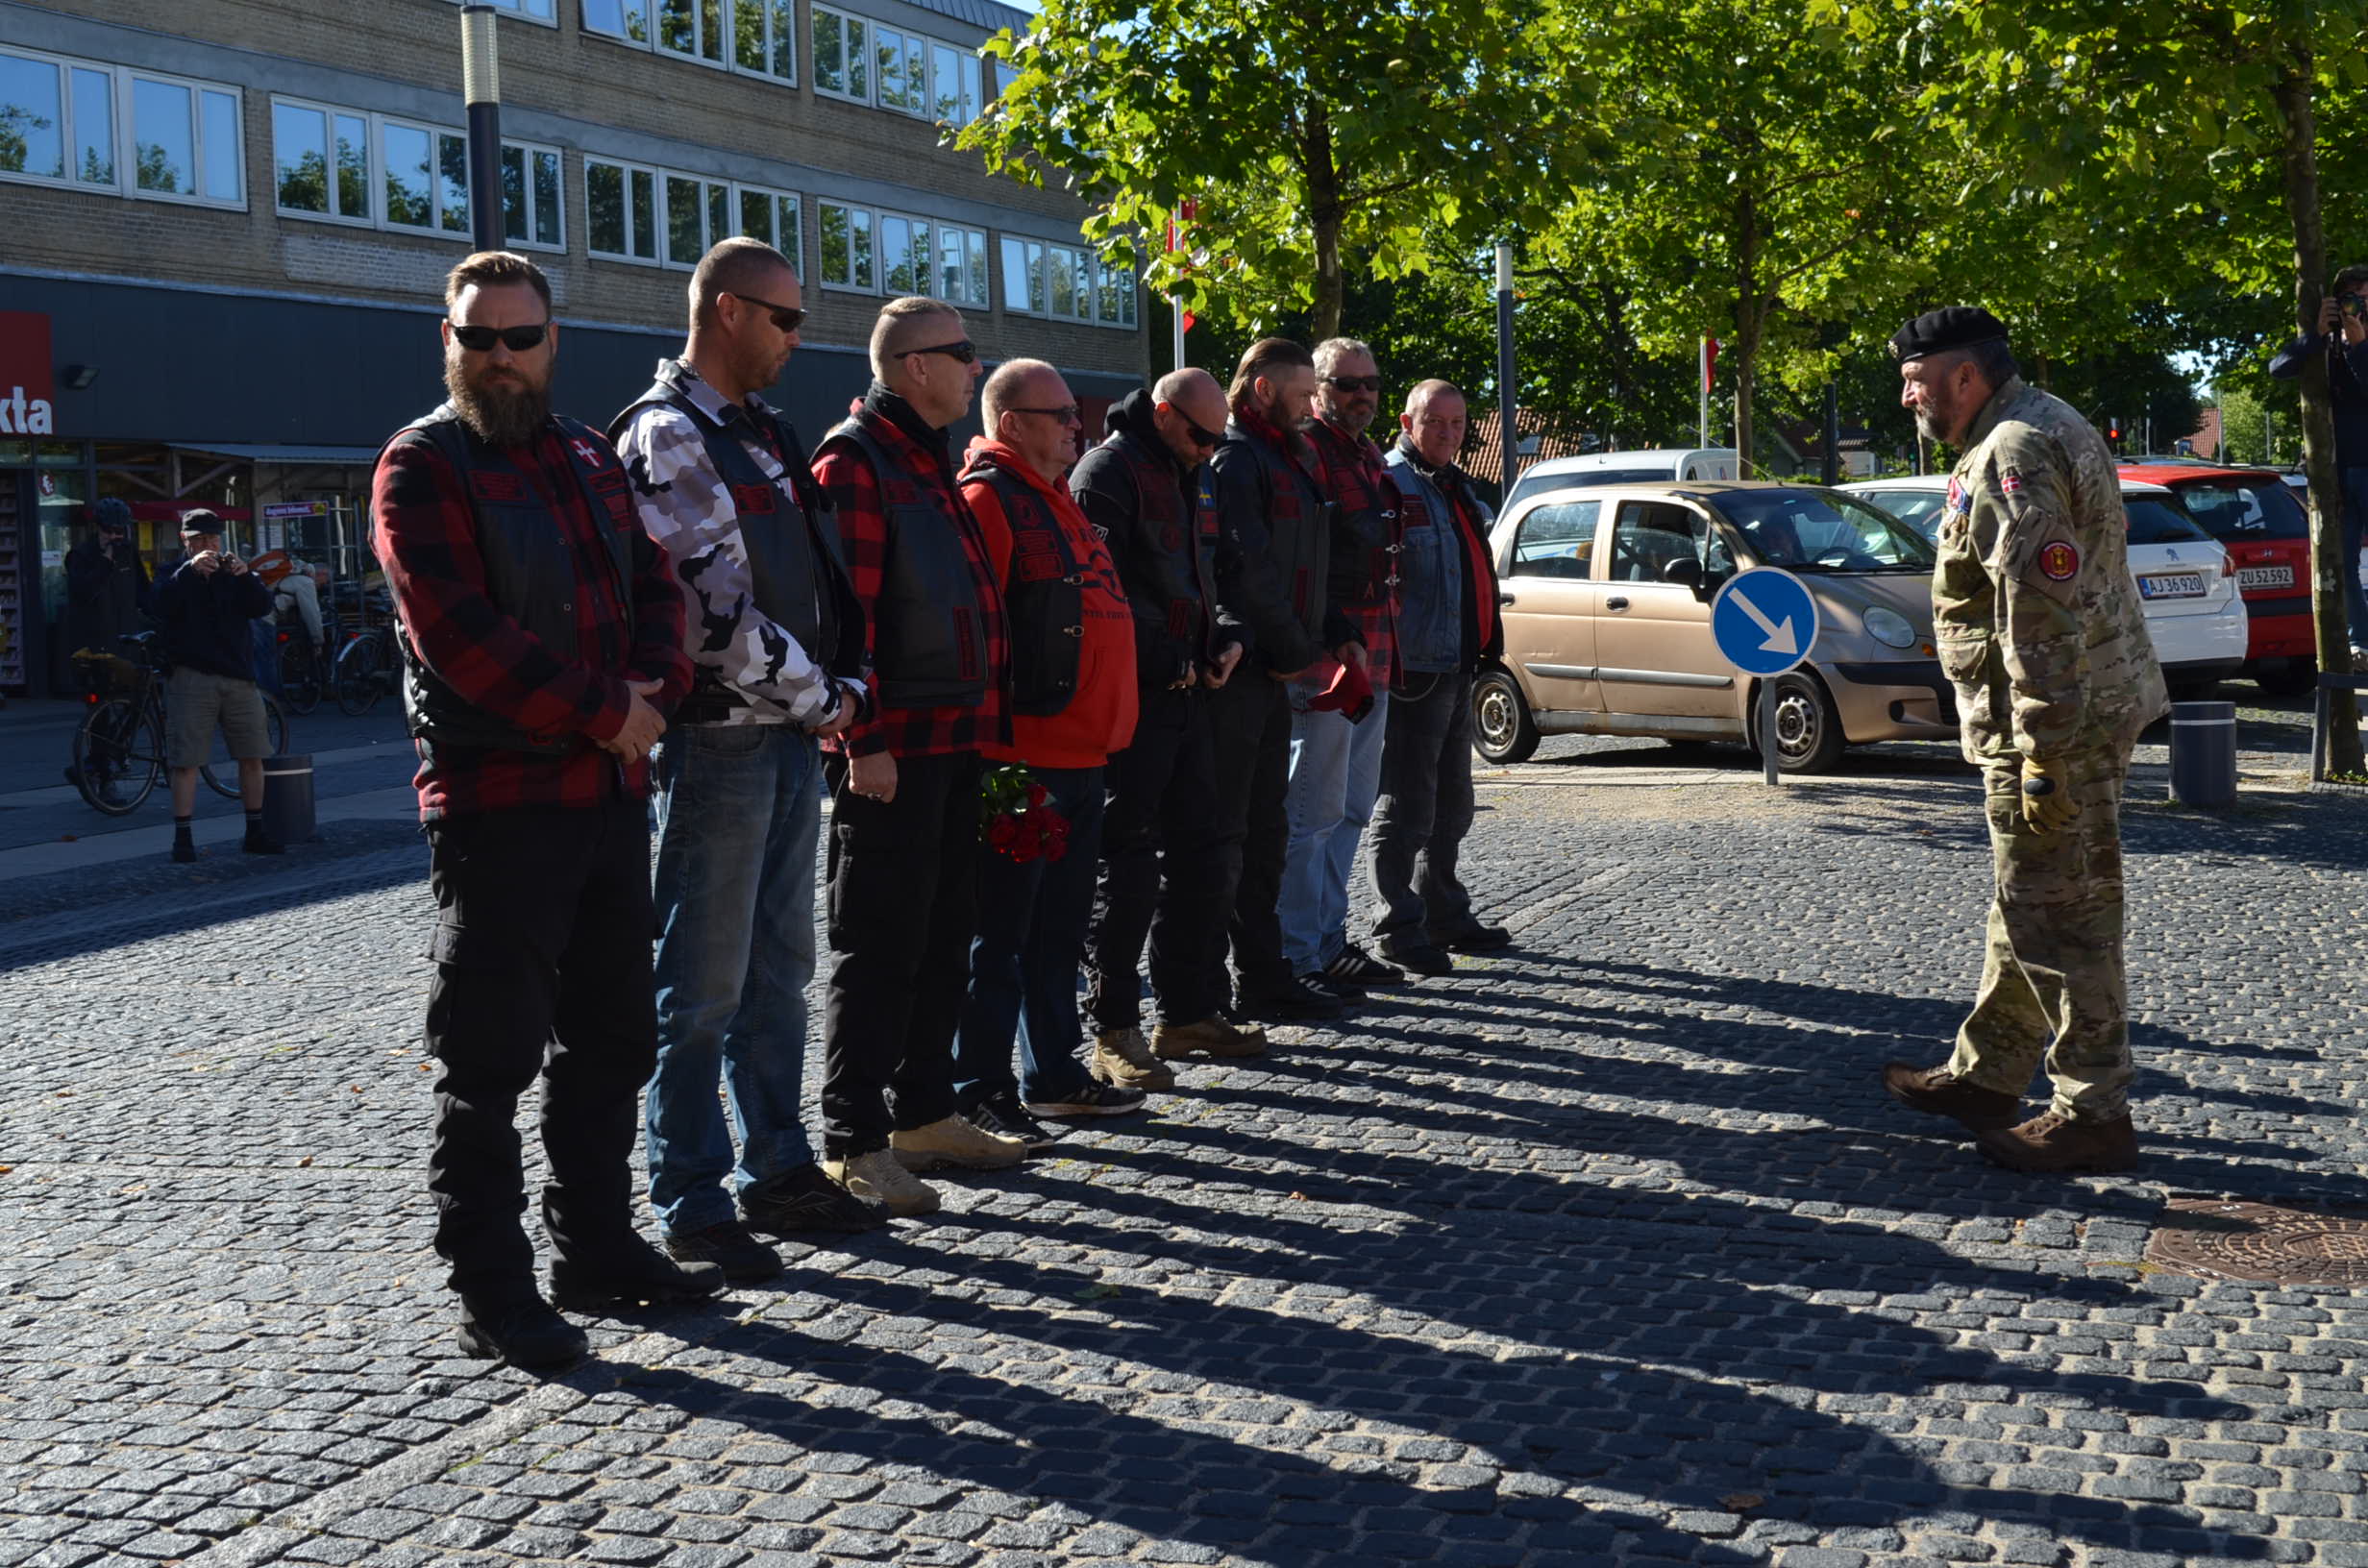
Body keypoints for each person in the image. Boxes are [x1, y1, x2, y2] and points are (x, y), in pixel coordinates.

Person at [373, 250, 722, 1370]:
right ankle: (492, 1289)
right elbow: (458, 637)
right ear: (448, 342)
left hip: (608, 794)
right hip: (499, 802)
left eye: (519, 337)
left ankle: (597, 1248)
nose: (499, 357)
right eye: (478, 337)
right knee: (486, 1064)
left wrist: (654, 691)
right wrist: (606, 711)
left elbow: (654, 585)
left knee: (613, 1039)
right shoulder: (421, 465)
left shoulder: (582, 453)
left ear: (551, 341)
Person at [609, 238, 884, 1287]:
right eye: (784, 317)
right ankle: (691, 1196)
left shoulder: (760, 431)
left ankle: (779, 1168)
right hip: (720, 739)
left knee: (776, 977)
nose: (797, 337)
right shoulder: (669, 433)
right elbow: (711, 616)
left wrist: (837, 689)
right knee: (702, 986)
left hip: (781, 736)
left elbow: (811, 583)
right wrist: (833, 700)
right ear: (727, 310)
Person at [1880, 306, 2167, 1174]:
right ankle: (1989, 1073)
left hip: (2054, 721)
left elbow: (2037, 609)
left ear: (1965, 376)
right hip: (2070, 709)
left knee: (2067, 916)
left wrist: (2042, 750)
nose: (1908, 399)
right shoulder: (2032, 423)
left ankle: (2093, 1111)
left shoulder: (2013, 448)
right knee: (2028, 900)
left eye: (1917, 382)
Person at [811, 296, 1028, 1219]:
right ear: (915, 366)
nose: (977, 368)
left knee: (944, 937)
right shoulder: (855, 461)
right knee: (878, 947)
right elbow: (843, 620)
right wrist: (861, 741)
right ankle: (854, 1143)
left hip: (952, 741)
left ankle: (925, 1115)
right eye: (963, 352)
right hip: (891, 751)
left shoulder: (924, 459)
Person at [950, 358, 1148, 1150]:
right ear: (1012, 424)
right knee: (999, 938)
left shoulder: (1055, 497)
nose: (1077, 425)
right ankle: (980, 1089)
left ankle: (1053, 1075)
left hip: (1082, 755)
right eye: (1060, 413)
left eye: (1074, 412)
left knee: (1058, 933)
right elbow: (976, 633)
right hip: (1019, 760)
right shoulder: (989, 499)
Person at [1073, 368, 1262, 1078]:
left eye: (1216, 438)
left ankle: (1186, 1012)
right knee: (1125, 868)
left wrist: (1228, 636)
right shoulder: (1107, 474)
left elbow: (1220, 575)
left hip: (1189, 695)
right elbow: (1101, 593)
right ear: (1161, 413)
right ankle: (1113, 1029)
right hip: (1135, 700)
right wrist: (1172, 658)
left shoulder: (1196, 472)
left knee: (1203, 857)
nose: (1209, 449)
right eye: (1199, 435)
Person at [1208, 338, 1361, 1024]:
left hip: (1278, 664)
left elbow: (1308, 565)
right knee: (1241, 835)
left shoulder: (1287, 456)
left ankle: (1268, 973)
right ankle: (1247, 979)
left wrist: (1334, 627)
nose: (1311, 406)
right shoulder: (1239, 459)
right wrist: (1301, 649)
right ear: (1263, 390)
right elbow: (1251, 570)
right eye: (1302, 394)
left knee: (1269, 832)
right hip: (1250, 670)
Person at [1373, 381, 1513, 972]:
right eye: (1436, 422)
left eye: (1457, 423)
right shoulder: (1390, 482)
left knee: (1453, 803)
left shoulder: (1456, 485)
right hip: (1416, 669)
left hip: (1459, 664)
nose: (1449, 433)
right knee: (1407, 804)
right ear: (1408, 422)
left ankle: (1444, 911)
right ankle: (1398, 925)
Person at [1291, 338, 1404, 993]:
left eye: (1371, 383)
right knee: (1312, 816)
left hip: (1376, 658)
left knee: (1354, 808)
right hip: (1326, 666)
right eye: (1347, 383)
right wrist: (1334, 639)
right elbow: (1304, 564)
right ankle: (1299, 953)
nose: (1362, 393)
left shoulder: (1367, 455)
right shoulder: (1307, 453)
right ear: (1318, 389)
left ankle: (1329, 941)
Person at [151, 509, 281, 864]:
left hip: (239, 677)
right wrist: (189, 572)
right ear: (185, 540)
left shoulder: (232, 573)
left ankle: (255, 831)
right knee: (186, 760)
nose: (207, 546)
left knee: (253, 755)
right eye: (199, 540)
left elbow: (261, 606)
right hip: (191, 676)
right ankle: (183, 839)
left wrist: (245, 575)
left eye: (211, 538)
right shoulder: (172, 573)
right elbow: (158, 604)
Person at [2269, 263, 2368, 657]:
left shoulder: (2359, 345)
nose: (2360, 307)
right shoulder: (2326, 344)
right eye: (2353, 299)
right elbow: (2279, 368)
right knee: (2341, 559)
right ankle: (2361, 641)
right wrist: (2316, 334)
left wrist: (2360, 347)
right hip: (2335, 472)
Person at [64, 497, 149, 655]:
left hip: (127, 637)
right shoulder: (80, 555)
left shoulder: (128, 551)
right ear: (97, 528)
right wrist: (106, 561)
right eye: (107, 531)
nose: (112, 537)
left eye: (118, 532)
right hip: (96, 642)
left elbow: (143, 591)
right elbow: (82, 594)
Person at [251, 548, 332, 660]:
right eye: (324, 582)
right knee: (266, 661)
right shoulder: (306, 583)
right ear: (322, 574)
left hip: (251, 613)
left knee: (256, 660)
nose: (322, 586)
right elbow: (312, 615)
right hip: (264, 619)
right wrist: (318, 641)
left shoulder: (288, 573)